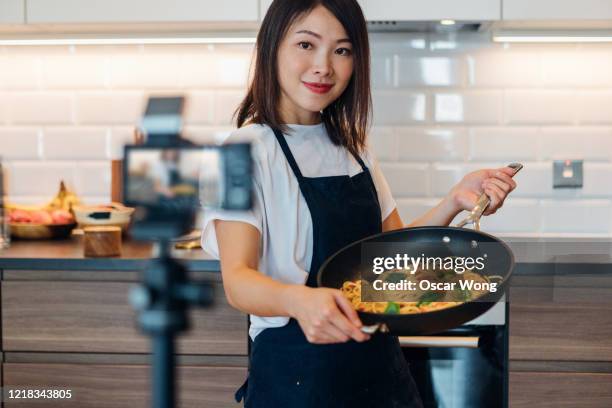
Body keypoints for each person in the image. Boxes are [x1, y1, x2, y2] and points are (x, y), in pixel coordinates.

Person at [201, 1, 518, 407]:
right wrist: (300, 300)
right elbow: (238, 280)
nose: (323, 66)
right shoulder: (239, 153)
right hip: (298, 378)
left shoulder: (353, 147)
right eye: (306, 45)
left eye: (342, 50)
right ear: (271, 48)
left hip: (381, 373)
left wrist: (454, 200)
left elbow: (391, 256)